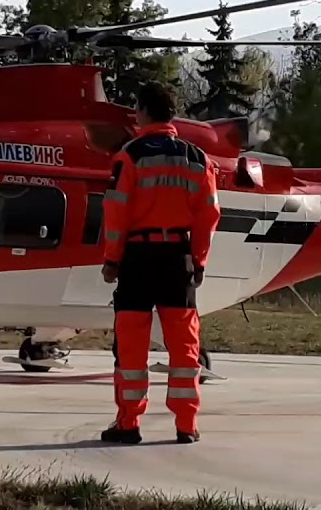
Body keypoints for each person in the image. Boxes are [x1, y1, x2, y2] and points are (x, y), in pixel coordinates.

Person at [98, 80, 221, 445]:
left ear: (144, 112)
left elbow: (116, 211)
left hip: (137, 258)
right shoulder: (198, 158)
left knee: (132, 344)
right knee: (184, 345)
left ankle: (128, 424)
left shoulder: (130, 155)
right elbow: (209, 215)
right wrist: (197, 261)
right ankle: (187, 424)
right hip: (176, 258)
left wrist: (111, 260)